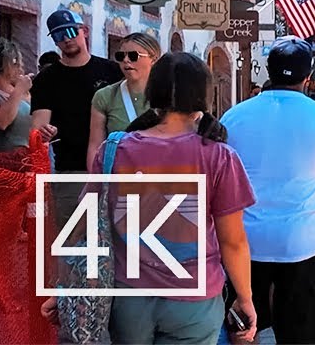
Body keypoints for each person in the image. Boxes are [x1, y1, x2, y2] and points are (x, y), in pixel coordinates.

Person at [91, 53, 257, 344]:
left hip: (128, 295)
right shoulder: (219, 156)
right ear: (203, 96)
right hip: (194, 297)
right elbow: (233, 241)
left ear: (153, 91)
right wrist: (245, 298)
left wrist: (66, 285)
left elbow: (88, 224)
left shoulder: (113, 149)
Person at [220, 37, 315, 344]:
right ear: (308, 76)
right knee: (300, 335)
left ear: (269, 72)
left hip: (244, 244)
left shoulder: (234, 117)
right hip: (303, 245)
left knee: (242, 331)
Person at [30, 9, 123, 230]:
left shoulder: (111, 71)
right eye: (59, 36)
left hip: (115, 168)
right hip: (71, 171)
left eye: (71, 31)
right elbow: (38, 125)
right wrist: (44, 131)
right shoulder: (47, 79)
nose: (67, 39)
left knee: (118, 242)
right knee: (70, 242)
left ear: (85, 31)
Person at [87, 32, 161, 163]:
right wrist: (97, 180)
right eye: (121, 56)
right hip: (120, 176)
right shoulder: (105, 96)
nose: (126, 60)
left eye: (133, 56)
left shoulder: (169, 95)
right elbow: (95, 146)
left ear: (153, 59)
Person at [0, 38, 54, 152]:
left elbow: (32, 126)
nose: (19, 67)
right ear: (2, 64)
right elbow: (1, 122)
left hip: (26, 162)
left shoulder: (20, 91)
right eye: (15, 61)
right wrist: (19, 90)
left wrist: (45, 132)